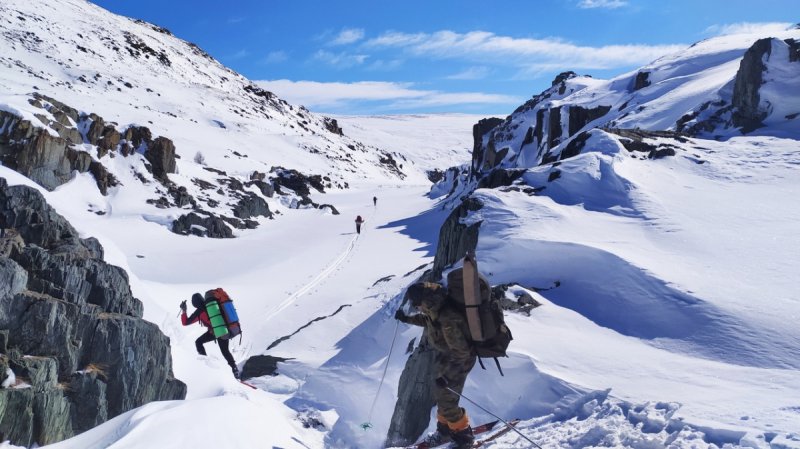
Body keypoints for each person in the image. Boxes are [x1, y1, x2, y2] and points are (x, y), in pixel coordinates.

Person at [395, 282, 476, 448]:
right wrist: (406, 318)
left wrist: (447, 375)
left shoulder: (447, 317)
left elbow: (462, 352)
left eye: (417, 304)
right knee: (441, 394)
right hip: (448, 358)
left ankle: (464, 437)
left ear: (425, 300)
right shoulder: (435, 309)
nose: (416, 307)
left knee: (447, 400)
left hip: (459, 361)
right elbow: (426, 321)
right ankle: (445, 431)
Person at [180, 293, 239, 379]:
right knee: (225, 351)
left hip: (214, 332)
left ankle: (205, 363)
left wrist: (184, 310)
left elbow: (185, 322)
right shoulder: (213, 306)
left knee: (198, 342)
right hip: (223, 329)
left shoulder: (199, 311)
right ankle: (234, 368)